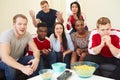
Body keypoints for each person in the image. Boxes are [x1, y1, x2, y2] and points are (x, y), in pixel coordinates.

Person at [0, 14, 41, 80]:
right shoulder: (6, 35)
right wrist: (23, 68)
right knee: (10, 66)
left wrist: (36, 59)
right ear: (14, 24)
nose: (23, 26)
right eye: (19, 24)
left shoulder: (27, 35)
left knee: (33, 59)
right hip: (3, 61)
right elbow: (5, 57)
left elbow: (36, 50)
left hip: (18, 59)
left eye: (25, 24)